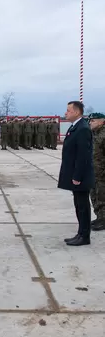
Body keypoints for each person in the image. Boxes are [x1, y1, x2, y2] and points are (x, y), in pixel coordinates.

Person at [58, 101, 94, 246]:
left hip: (81, 176)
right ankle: (80, 233)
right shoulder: (76, 127)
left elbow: (83, 156)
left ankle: (84, 236)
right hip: (75, 174)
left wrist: (77, 177)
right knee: (78, 205)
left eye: (68, 110)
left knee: (83, 206)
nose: (66, 113)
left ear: (77, 112)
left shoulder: (83, 129)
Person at [88, 113, 105, 231]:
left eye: (93, 120)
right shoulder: (94, 134)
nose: (90, 122)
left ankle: (103, 220)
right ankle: (99, 217)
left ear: (101, 121)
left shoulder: (103, 135)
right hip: (94, 172)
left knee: (102, 196)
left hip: (102, 173)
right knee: (94, 195)